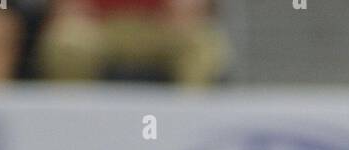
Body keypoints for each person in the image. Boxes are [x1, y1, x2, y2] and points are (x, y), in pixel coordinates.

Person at [35, 0, 228, 86]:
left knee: (202, 43)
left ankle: (188, 123)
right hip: (99, 27)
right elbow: (66, 8)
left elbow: (194, 9)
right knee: (68, 43)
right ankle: (74, 124)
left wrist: (187, 10)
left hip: (158, 26)